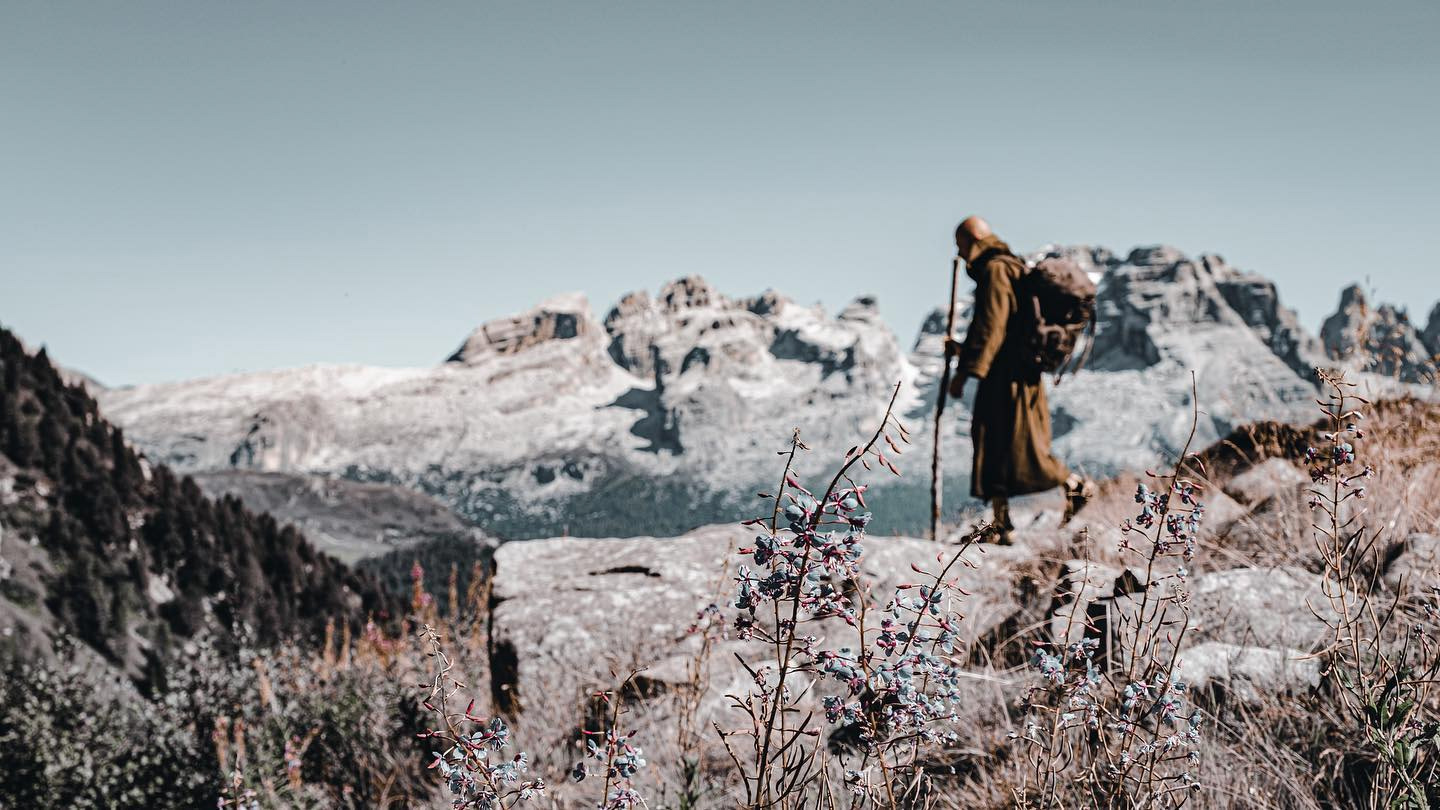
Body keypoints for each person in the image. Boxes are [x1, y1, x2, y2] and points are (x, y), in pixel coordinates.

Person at [945, 216, 1092, 543]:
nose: (959, 253)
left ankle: (1076, 486)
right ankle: (1002, 523)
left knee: (1022, 447)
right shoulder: (1007, 267)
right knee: (995, 444)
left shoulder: (997, 270)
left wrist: (964, 373)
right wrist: (962, 350)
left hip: (1008, 378)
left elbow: (991, 327)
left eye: (960, 245)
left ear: (973, 240)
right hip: (1011, 374)